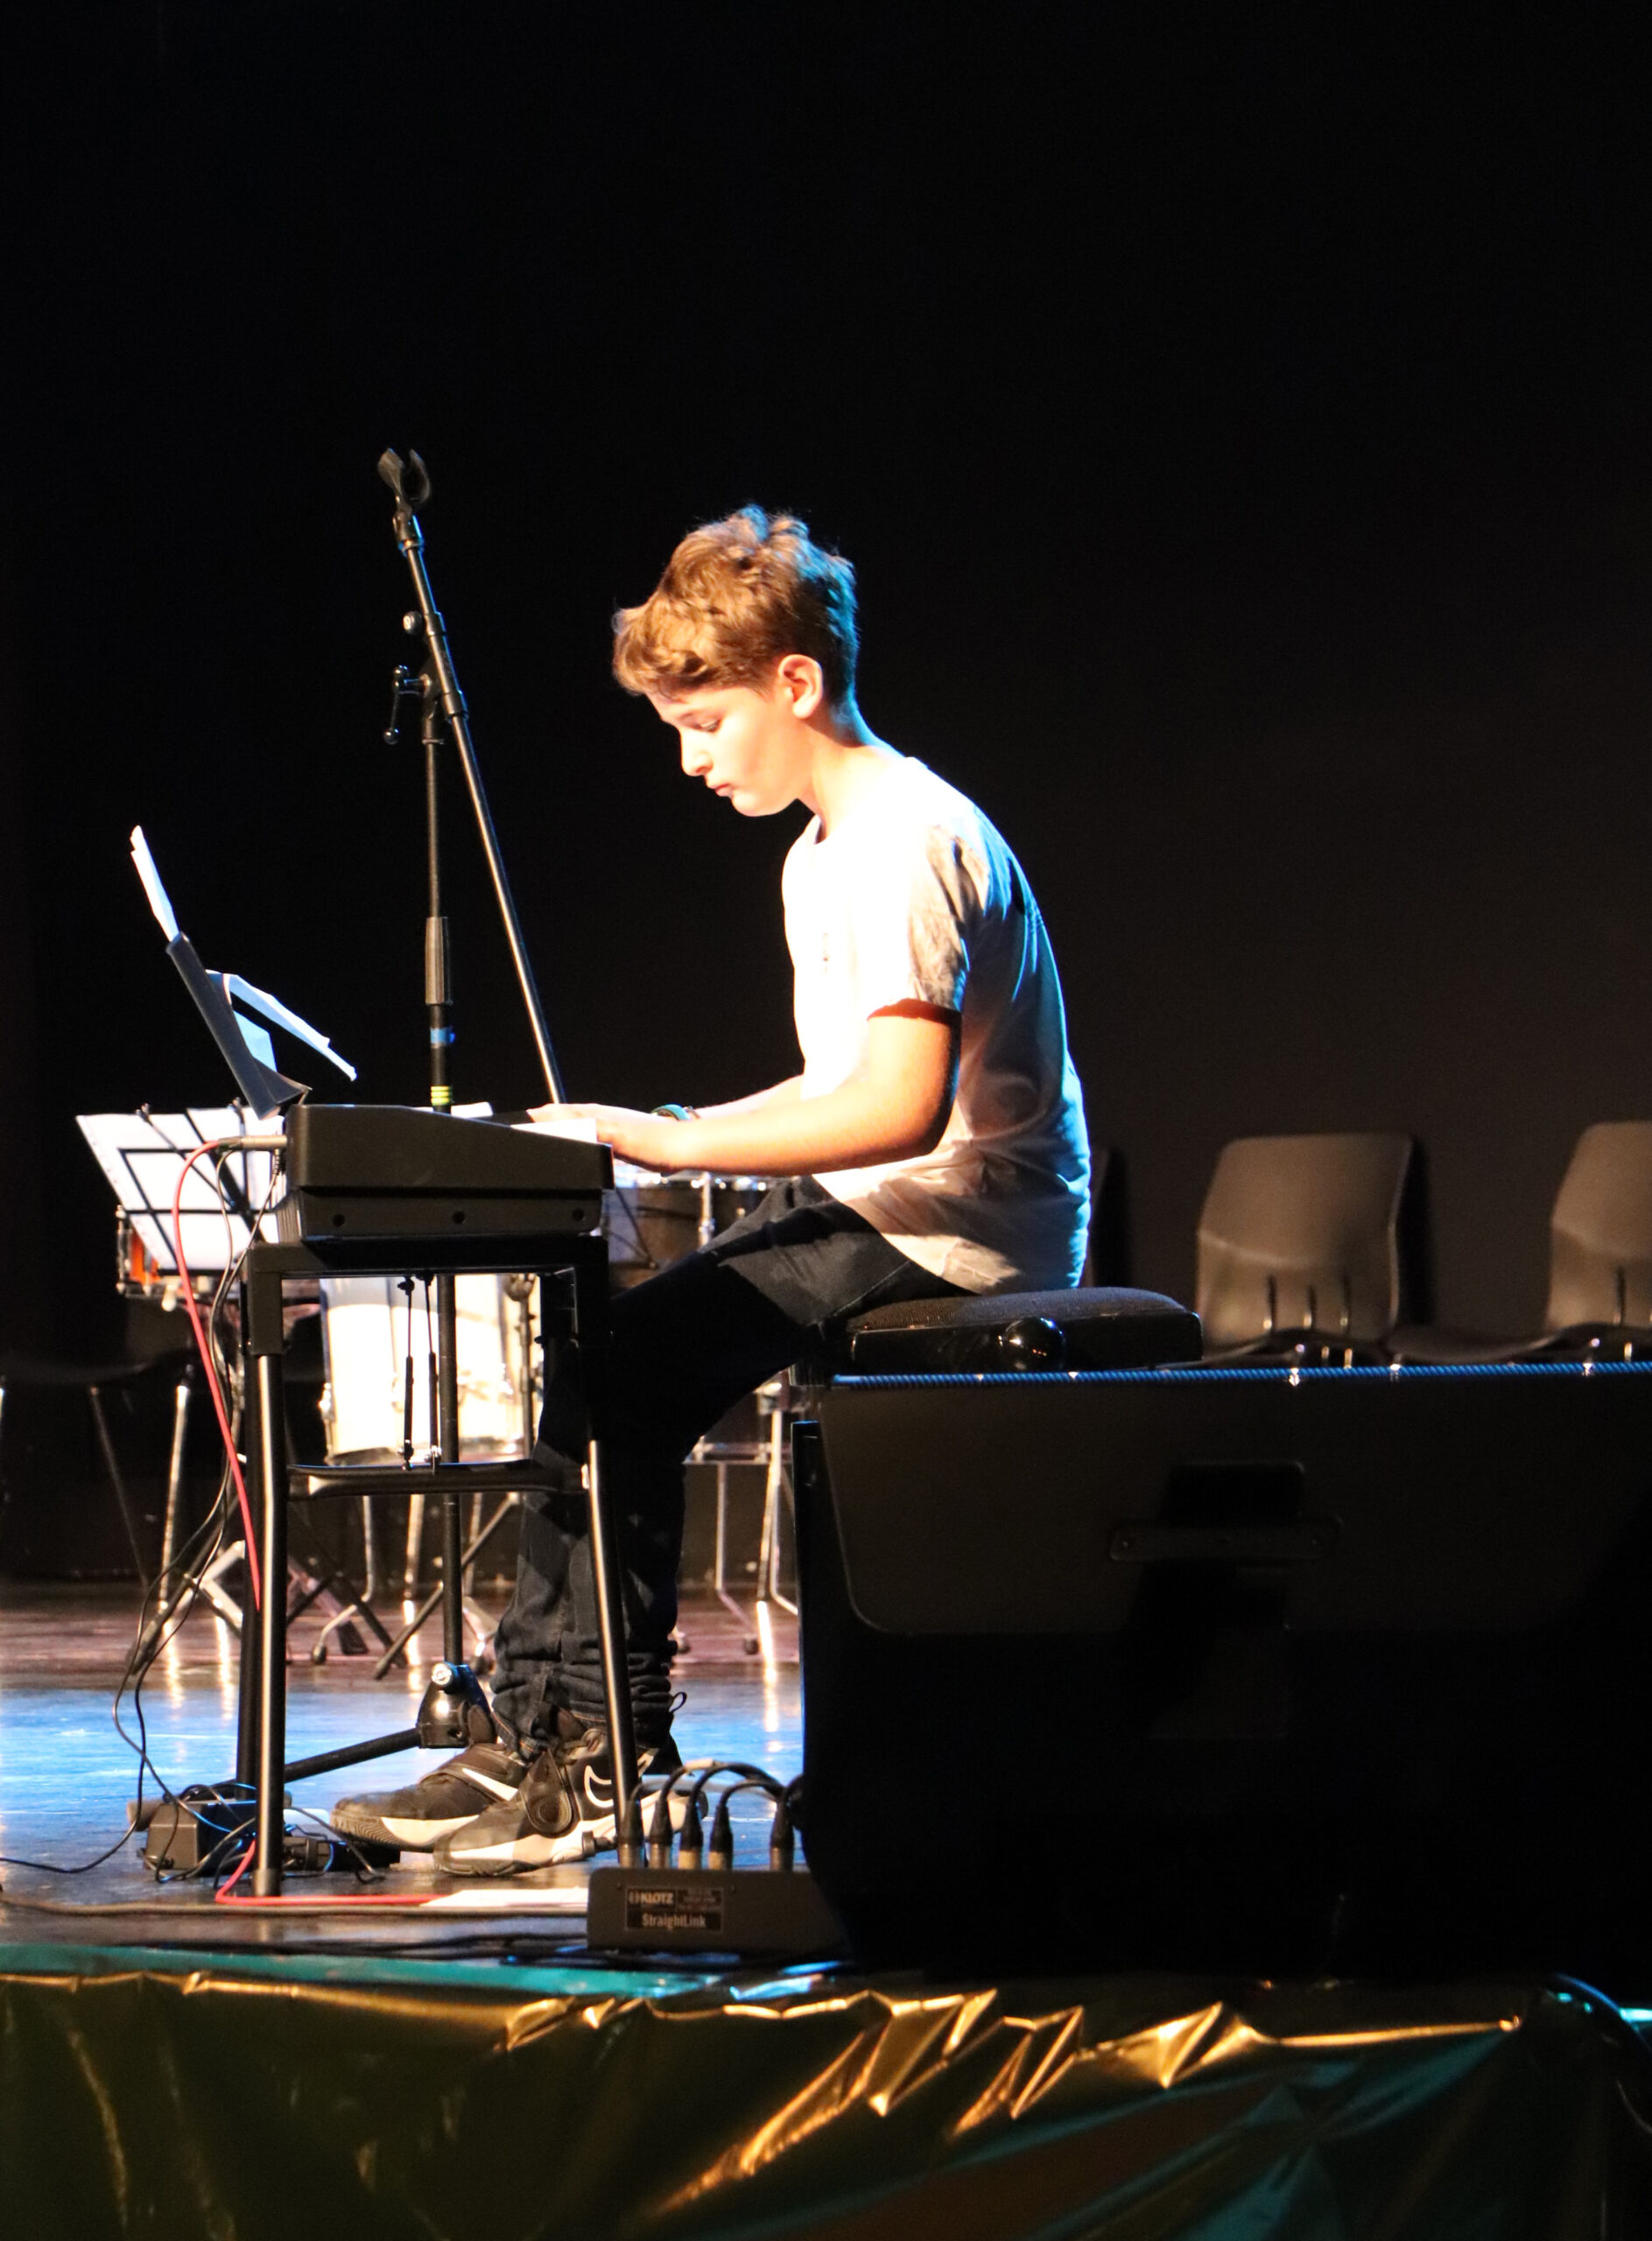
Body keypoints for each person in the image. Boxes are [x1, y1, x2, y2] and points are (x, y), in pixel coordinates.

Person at [332, 507, 1090, 1871]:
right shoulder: (824, 850)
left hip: (962, 1230)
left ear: (795, 683)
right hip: (901, 1208)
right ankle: (548, 1735)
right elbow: (834, 1090)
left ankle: (592, 1754)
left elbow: (900, 1109)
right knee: (603, 1364)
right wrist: (662, 1128)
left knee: (622, 1374)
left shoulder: (905, 841)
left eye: (705, 723)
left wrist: (667, 1146)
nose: (690, 759)